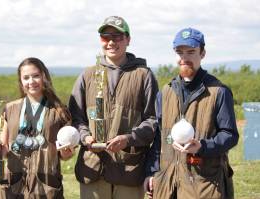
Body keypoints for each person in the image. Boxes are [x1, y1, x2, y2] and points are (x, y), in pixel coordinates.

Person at [69, 16, 159, 199]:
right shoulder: (87, 75)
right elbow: (75, 118)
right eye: (105, 36)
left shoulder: (144, 76)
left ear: (128, 40)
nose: (111, 42)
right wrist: (86, 137)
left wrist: (129, 138)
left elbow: (154, 120)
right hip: (92, 167)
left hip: (129, 169)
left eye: (117, 37)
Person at [144, 28, 239, 199]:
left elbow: (230, 135)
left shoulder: (219, 92)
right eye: (179, 52)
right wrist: (151, 172)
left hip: (205, 186)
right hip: (167, 185)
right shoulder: (165, 93)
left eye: (191, 52)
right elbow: (159, 137)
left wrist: (202, 146)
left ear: (202, 53)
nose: (184, 58)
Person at [0, 57, 73, 198]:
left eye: (36, 76)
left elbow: (66, 156)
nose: (31, 82)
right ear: (21, 81)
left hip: (46, 186)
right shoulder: (10, 109)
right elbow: (5, 150)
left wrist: (66, 150)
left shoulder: (59, 111)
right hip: (13, 185)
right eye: (26, 77)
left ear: (44, 77)